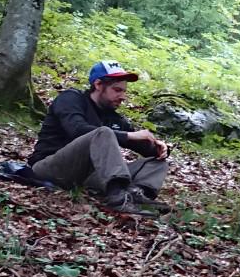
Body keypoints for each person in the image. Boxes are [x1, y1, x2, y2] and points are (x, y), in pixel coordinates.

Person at [28, 61, 170, 214]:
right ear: (98, 84)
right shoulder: (71, 99)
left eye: (124, 91)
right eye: (117, 90)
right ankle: (117, 198)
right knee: (103, 132)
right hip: (50, 168)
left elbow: (140, 145)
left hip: (88, 177)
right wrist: (129, 135)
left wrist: (159, 147)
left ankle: (137, 194)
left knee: (158, 163)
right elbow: (77, 130)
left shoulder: (113, 117)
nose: (122, 96)